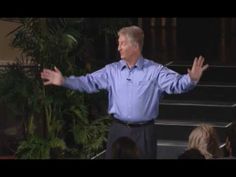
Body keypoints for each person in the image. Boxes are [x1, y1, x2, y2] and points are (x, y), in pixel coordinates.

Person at [40, 25, 208, 159]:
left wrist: (191, 79)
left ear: (135, 46)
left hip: (144, 133)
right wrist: (64, 81)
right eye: (118, 43)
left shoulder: (154, 71)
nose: (118, 48)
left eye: (122, 43)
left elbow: (177, 84)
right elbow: (88, 82)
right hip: (118, 130)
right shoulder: (111, 71)